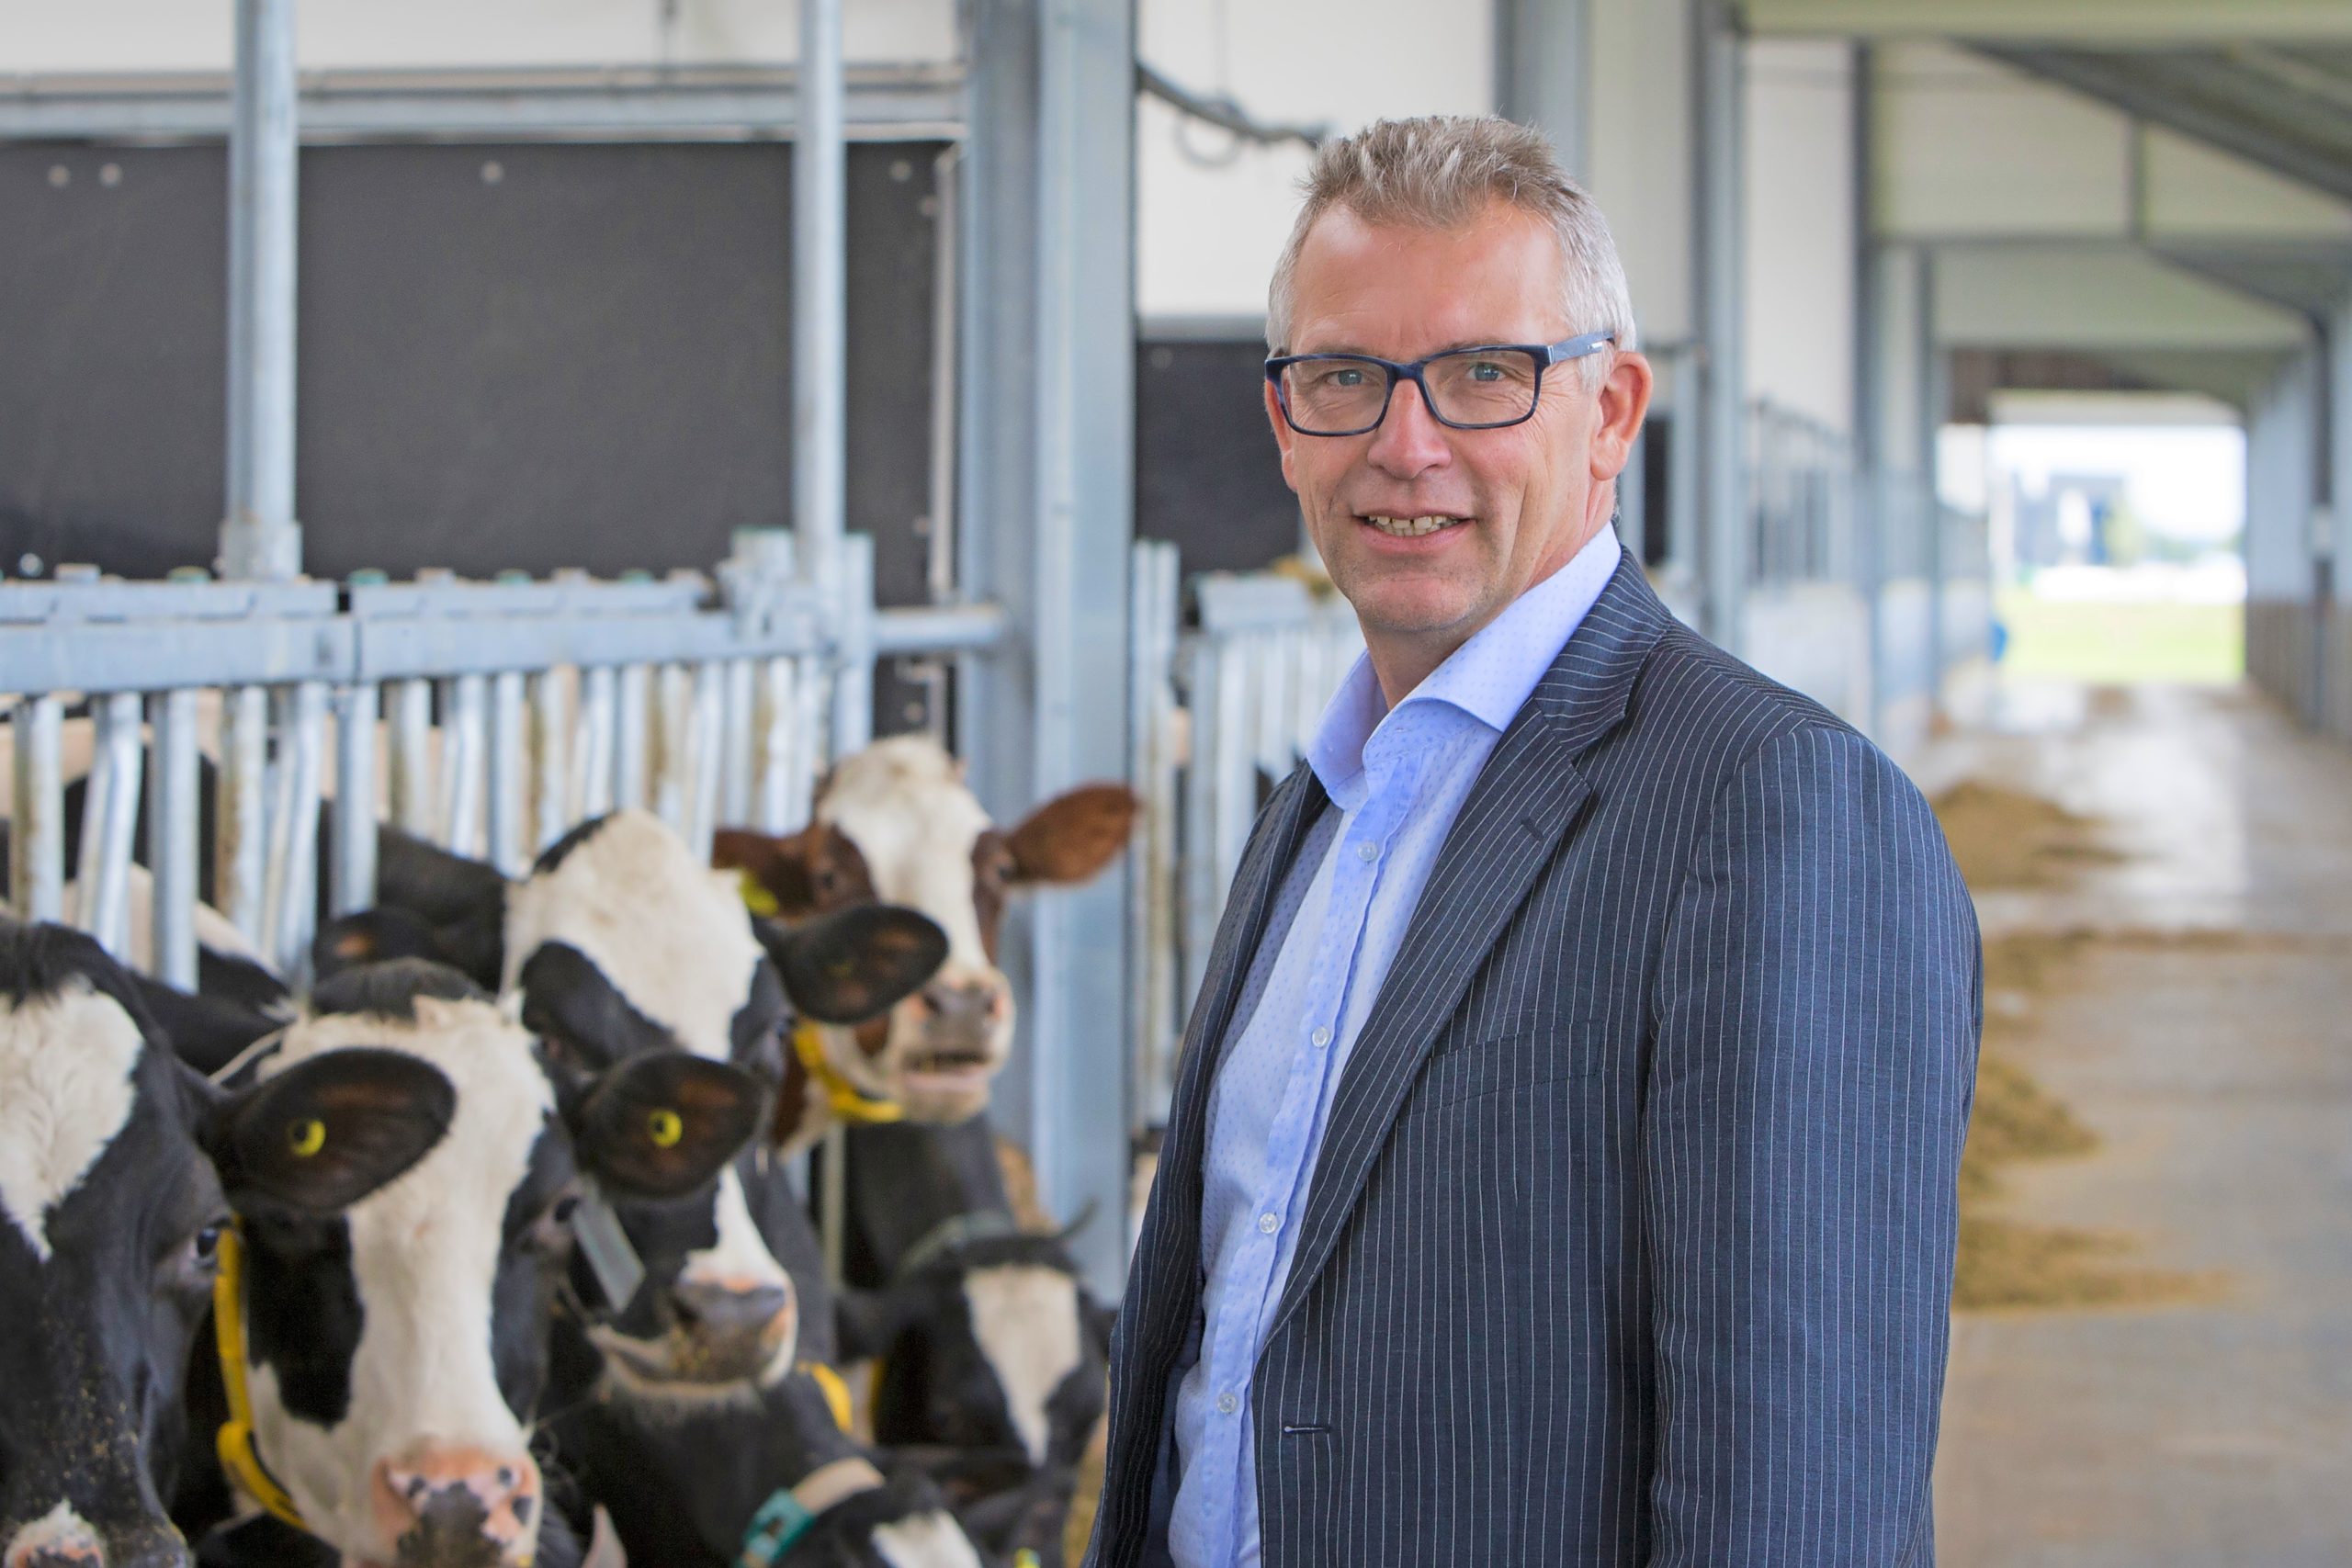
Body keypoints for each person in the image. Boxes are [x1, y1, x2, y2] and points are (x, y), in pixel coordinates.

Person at [1089, 116, 1981, 1567]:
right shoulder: (1322, 800)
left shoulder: (1774, 808)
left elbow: (1806, 1499)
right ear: (1282, 419)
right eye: (1342, 379)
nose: (1405, 445)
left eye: (1485, 375)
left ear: (1614, 412)